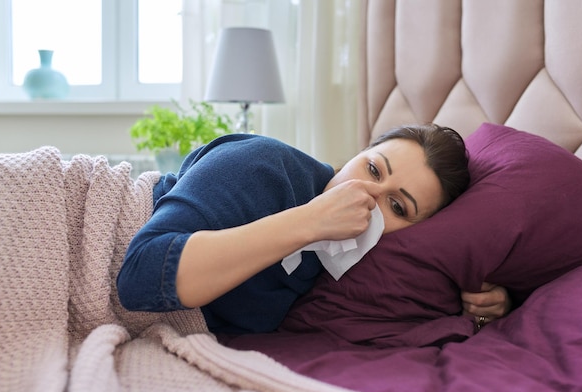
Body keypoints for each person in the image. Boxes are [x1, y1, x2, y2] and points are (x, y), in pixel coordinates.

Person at [117, 124, 509, 334]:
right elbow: (140, 276)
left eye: (397, 206)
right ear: (356, 153)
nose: (369, 195)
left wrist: (489, 306)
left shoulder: (347, 269)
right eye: (372, 168)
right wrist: (309, 220)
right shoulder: (263, 165)